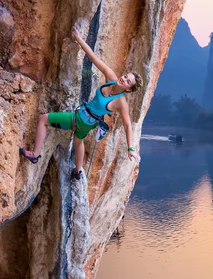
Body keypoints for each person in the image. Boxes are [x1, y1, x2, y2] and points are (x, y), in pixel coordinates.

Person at [19, 24, 142, 180]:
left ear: (129, 89)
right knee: (78, 142)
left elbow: (127, 125)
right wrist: (79, 39)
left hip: (78, 119)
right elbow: (94, 58)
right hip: (86, 123)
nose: (123, 79)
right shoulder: (111, 78)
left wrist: (131, 148)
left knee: (43, 119)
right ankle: (78, 171)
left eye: (127, 81)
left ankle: (35, 154)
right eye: (125, 76)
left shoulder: (121, 102)